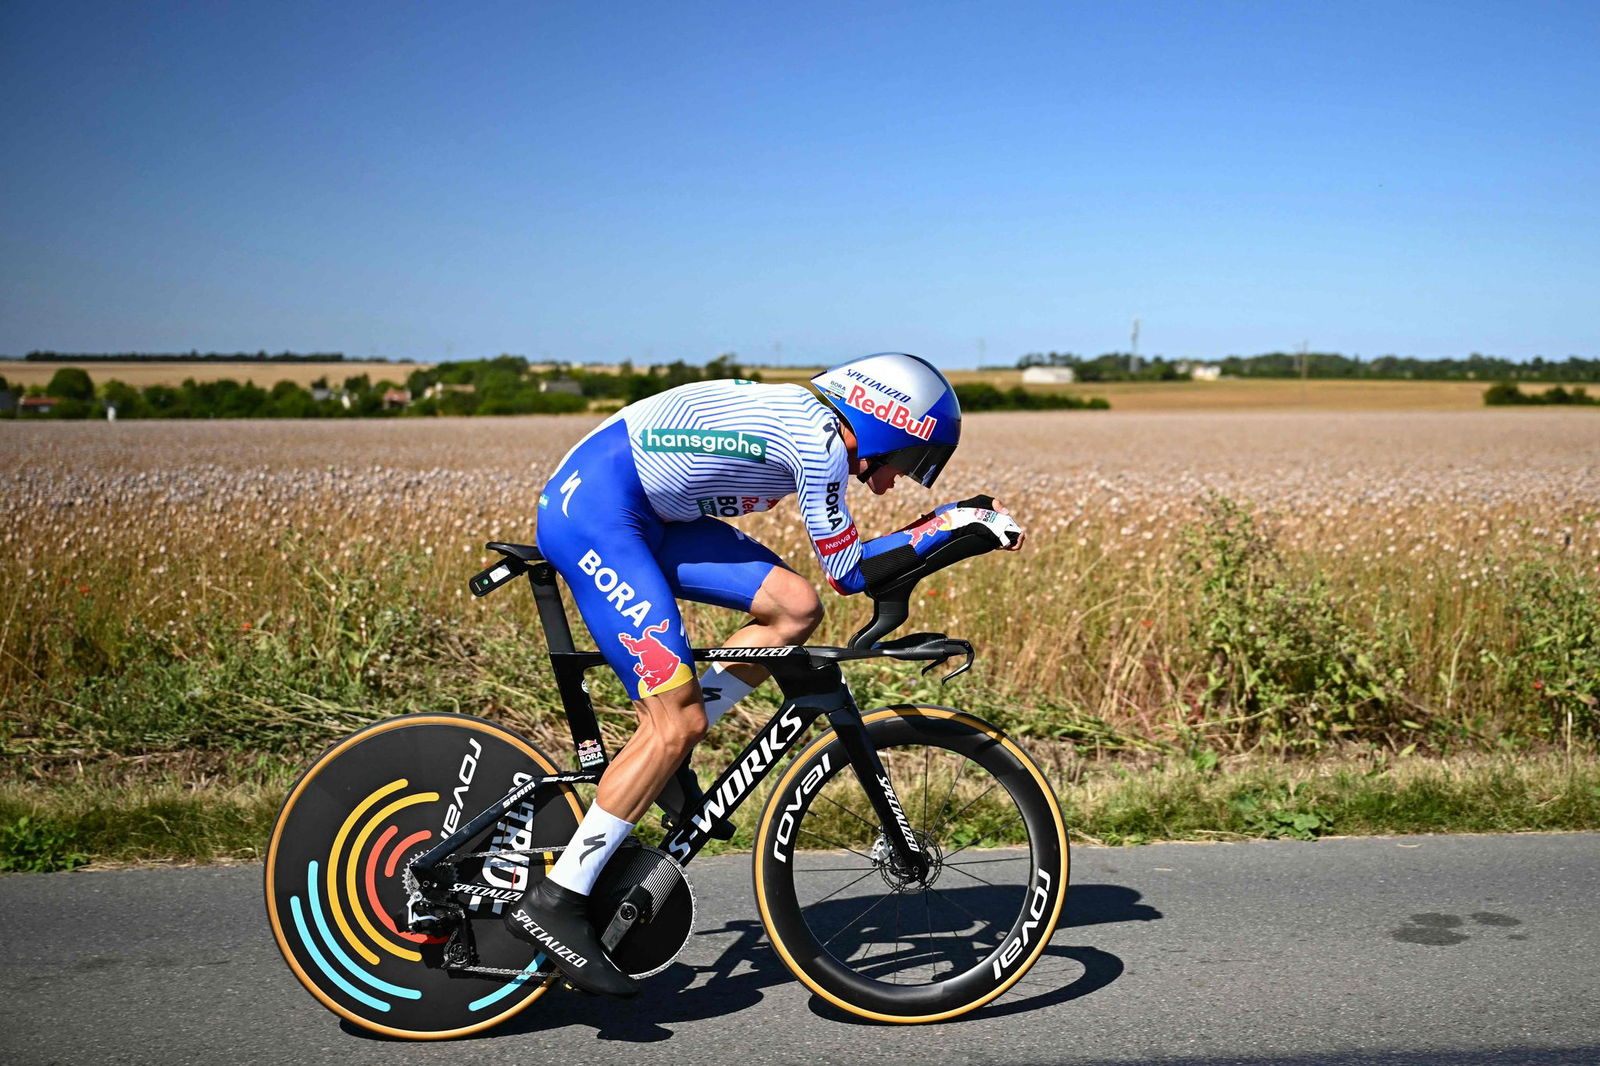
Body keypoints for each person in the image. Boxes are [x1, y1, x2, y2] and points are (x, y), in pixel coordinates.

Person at [505, 352, 1024, 995]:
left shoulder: (817, 426)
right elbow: (852, 574)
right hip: (599, 516)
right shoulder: (821, 442)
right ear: (886, 419)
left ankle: (663, 759)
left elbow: (824, 590)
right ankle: (559, 899)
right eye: (903, 463)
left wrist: (947, 526)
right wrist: (953, 524)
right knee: (677, 722)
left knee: (793, 608)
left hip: (647, 514)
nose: (888, 485)